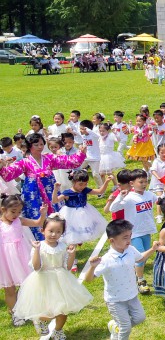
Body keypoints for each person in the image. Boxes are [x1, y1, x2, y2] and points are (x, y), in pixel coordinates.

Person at [13, 214, 93, 338]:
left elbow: (66, 267)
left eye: (58, 232)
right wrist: (37, 250)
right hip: (43, 280)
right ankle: (40, 319)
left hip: (60, 280)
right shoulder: (38, 246)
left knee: (63, 309)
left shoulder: (62, 247)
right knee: (48, 310)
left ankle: (58, 330)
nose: (53, 234)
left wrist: (71, 255)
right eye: (50, 231)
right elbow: (36, 267)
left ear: (62, 233)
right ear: (42, 231)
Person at [0, 133, 86, 239]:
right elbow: (9, 174)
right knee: (36, 215)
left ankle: (58, 238)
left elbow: (68, 162)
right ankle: (40, 243)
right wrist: (1, 167)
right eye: (36, 145)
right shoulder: (24, 162)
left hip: (50, 192)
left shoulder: (49, 158)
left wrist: (81, 153)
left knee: (55, 215)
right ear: (29, 146)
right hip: (33, 195)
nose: (40, 147)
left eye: (41, 144)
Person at [84, 220, 159, 340]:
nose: (129, 240)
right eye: (125, 237)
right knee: (125, 327)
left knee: (140, 318)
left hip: (132, 295)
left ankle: (115, 326)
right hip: (115, 300)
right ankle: (118, 331)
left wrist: (153, 249)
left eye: (130, 236)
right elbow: (89, 279)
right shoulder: (106, 260)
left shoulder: (130, 249)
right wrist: (92, 267)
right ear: (112, 240)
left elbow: (140, 259)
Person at [0, 195, 46, 327]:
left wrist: (42, 214)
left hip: (21, 256)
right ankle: (15, 313)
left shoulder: (19, 221)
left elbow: (37, 223)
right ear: (3, 209)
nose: (16, 215)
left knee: (26, 284)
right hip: (5, 260)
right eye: (13, 212)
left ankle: (25, 308)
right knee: (9, 288)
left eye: (19, 212)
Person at [52, 170, 111, 246]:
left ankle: (79, 240)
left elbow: (100, 191)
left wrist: (106, 182)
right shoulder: (68, 193)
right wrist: (55, 190)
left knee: (83, 226)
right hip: (70, 214)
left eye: (85, 184)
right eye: (80, 184)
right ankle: (72, 247)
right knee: (71, 230)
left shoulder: (85, 190)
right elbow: (55, 201)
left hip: (84, 212)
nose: (83, 186)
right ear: (74, 182)